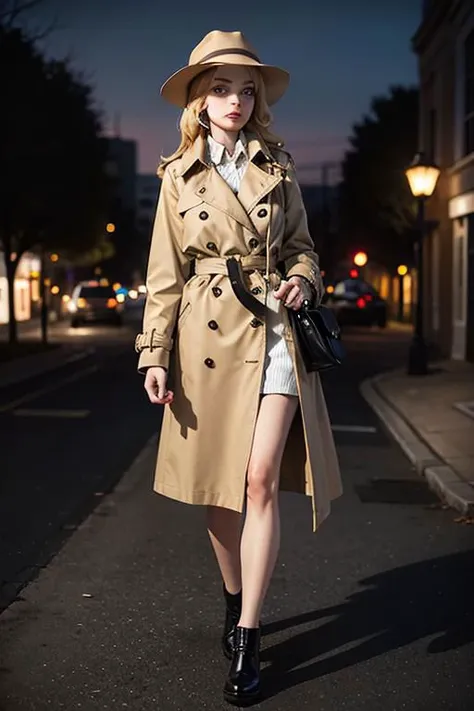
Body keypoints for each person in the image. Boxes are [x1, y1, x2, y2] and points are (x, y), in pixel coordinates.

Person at [135, 29, 343, 705]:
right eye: (221, 87)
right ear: (198, 97)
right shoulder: (175, 177)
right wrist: (153, 354)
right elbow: (164, 279)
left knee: (258, 481)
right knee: (219, 495)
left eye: (246, 88)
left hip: (275, 333)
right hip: (204, 338)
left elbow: (306, 251)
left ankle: (250, 634)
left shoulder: (278, 167)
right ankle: (234, 595)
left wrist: (302, 282)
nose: (235, 99)